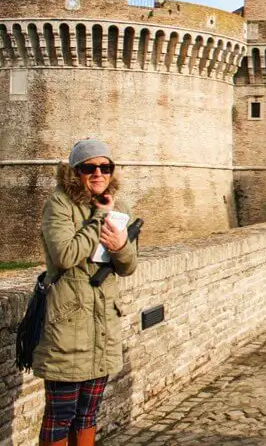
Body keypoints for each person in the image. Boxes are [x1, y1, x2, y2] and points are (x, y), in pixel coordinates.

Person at [33, 138, 138, 446]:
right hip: (67, 325)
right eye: (89, 168)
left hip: (102, 324)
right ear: (74, 172)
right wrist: (98, 220)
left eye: (105, 167)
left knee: (88, 413)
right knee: (60, 414)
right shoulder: (60, 203)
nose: (98, 174)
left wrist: (120, 247)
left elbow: (129, 265)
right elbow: (65, 255)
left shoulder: (120, 206)